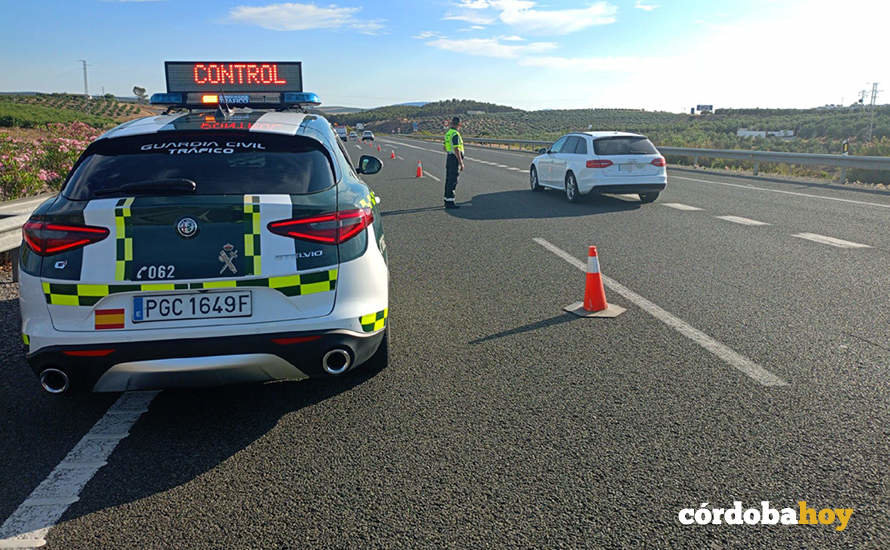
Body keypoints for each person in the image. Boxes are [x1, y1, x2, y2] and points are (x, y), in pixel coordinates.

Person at [443, 116, 465, 209]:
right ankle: (450, 202)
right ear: (459, 124)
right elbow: (457, 149)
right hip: (454, 159)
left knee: (448, 179)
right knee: (453, 181)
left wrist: (450, 151)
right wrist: (461, 163)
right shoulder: (455, 134)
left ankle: (447, 199)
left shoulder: (448, 133)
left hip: (449, 157)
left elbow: (444, 147)